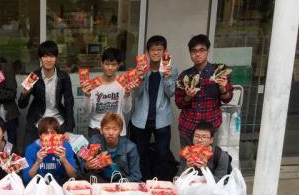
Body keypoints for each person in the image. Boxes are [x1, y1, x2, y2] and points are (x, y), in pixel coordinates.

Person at [129, 36, 178, 180]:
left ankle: (159, 183)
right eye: (152, 49)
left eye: (159, 49)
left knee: (162, 154)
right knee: (141, 154)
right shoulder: (140, 70)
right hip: (140, 120)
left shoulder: (171, 69)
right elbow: (136, 94)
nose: (156, 52)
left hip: (162, 120)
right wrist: (140, 78)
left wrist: (167, 77)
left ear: (165, 52)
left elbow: (171, 93)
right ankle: (143, 182)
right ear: (147, 52)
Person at [175, 34, 233, 149]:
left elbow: (227, 99)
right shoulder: (184, 75)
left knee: (209, 159)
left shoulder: (219, 72)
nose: (197, 54)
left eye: (201, 50)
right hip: (188, 127)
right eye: (194, 51)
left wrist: (222, 88)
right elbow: (179, 103)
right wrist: (188, 97)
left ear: (208, 51)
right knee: (187, 158)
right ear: (190, 54)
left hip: (210, 129)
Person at [18, 40, 74, 147]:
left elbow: (69, 102)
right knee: (28, 151)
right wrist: (24, 94)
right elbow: (22, 105)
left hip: (58, 121)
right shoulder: (33, 76)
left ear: (56, 58)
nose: (48, 60)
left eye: (52, 56)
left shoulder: (63, 77)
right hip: (37, 120)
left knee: (64, 152)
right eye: (45, 56)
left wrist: (69, 129)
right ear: (40, 58)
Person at [81, 47, 132, 137]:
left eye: (114, 64)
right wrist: (87, 96)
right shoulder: (93, 84)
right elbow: (86, 112)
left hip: (117, 129)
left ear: (118, 65)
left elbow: (127, 110)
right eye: (107, 64)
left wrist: (127, 94)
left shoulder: (123, 82)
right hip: (97, 128)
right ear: (101, 63)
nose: (110, 67)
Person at [82, 112, 141, 182]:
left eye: (115, 129)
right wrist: (86, 166)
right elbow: (82, 168)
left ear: (120, 131)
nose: (111, 133)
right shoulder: (95, 141)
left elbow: (136, 175)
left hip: (122, 183)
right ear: (101, 130)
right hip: (100, 181)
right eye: (107, 129)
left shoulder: (130, 147)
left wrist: (118, 184)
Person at [23, 117, 77, 185]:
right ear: (40, 135)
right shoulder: (31, 148)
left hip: (60, 184)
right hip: (39, 185)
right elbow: (26, 178)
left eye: (53, 133)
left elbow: (74, 175)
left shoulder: (65, 146)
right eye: (46, 133)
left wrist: (64, 160)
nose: (50, 136)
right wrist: (37, 162)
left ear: (58, 134)